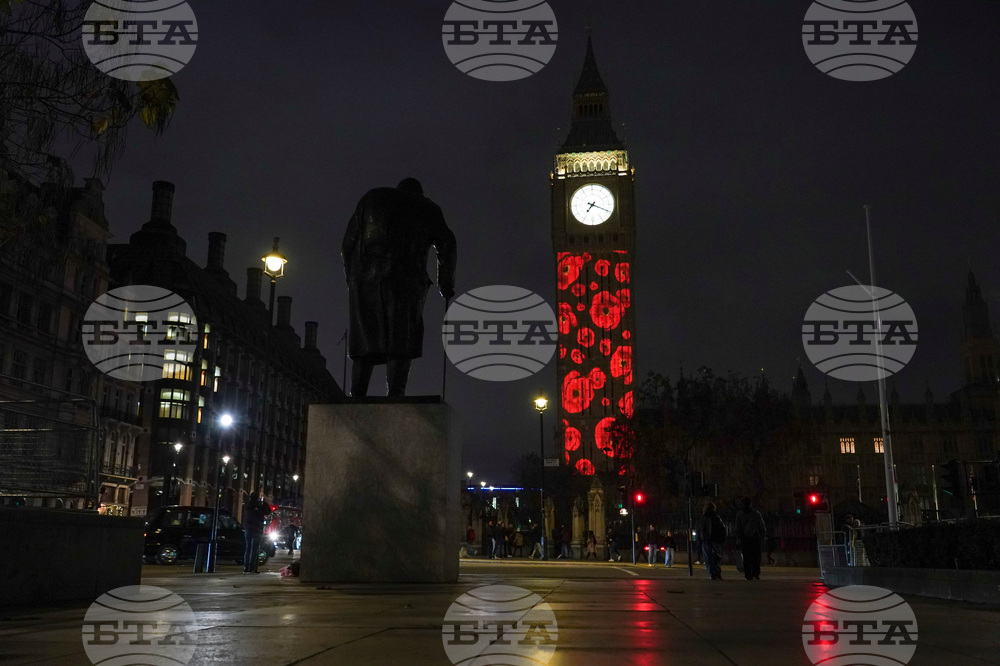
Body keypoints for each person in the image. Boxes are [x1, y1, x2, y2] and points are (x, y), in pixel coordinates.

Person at [341, 178, 457, 397]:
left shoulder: (370, 198)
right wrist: (446, 283)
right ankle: (395, 395)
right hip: (404, 280)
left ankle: (357, 395)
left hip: (364, 280)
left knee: (365, 338)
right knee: (401, 339)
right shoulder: (426, 207)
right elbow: (447, 244)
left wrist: (352, 278)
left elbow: (347, 244)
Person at [734, 496, 767, 581]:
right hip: (755, 537)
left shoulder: (740, 514)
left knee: (747, 557)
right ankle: (755, 573)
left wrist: (739, 537)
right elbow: (762, 526)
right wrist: (762, 536)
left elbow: (738, 527)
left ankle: (748, 574)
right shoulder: (756, 513)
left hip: (745, 538)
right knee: (756, 557)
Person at [242, 492, 271, 574]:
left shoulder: (247, 506)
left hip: (248, 529)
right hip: (257, 530)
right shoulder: (260, 506)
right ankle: (252, 567)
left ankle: (246, 567)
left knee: (247, 548)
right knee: (255, 549)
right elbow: (268, 511)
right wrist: (264, 502)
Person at [700, 502, 725, 580]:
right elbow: (722, 529)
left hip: (707, 540)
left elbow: (701, 530)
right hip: (715, 540)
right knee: (717, 557)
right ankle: (717, 572)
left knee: (709, 558)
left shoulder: (704, 518)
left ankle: (712, 573)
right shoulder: (716, 518)